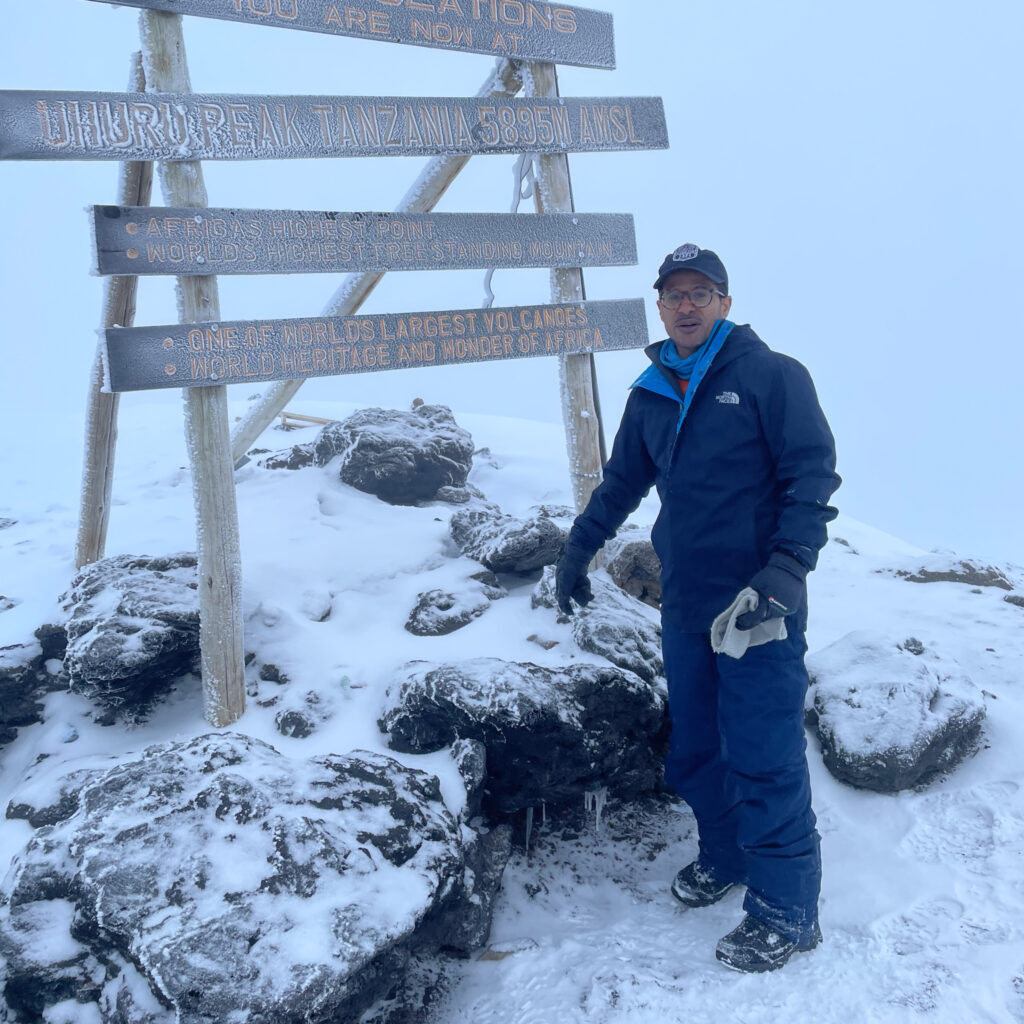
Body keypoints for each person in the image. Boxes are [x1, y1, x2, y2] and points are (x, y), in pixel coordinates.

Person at [555, 244, 840, 973]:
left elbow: (811, 475)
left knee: (763, 755)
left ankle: (786, 909)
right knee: (695, 751)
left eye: (700, 293)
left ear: (725, 303)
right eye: (673, 294)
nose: (685, 305)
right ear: (660, 306)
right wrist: (576, 552)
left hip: (758, 603)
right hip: (685, 607)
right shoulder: (651, 392)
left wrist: (786, 569)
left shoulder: (770, 376)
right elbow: (620, 484)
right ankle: (728, 855)